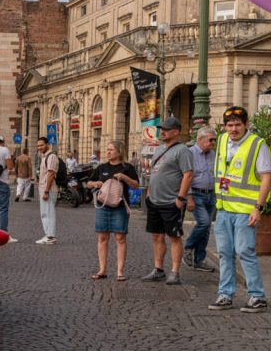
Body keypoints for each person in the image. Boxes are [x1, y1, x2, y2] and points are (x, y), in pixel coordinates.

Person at [209, 106, 271, 313]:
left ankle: (257, 296)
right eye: (229, 125)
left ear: (246, 125)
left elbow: (267, 177)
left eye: (237, 125)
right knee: (225, 253)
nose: (233, 129)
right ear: (224, 126)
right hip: (224, 207)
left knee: (245, 252)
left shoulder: (257, 144)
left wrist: (258, 208)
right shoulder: (222, 141)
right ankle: (225, 295)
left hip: (246, 209)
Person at [141, 116, 193, 285]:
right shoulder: (159, 148)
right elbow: (155, 171)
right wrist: (149, 191)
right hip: (154, 200)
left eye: (165, 129)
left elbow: (188, 174)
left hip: (172, 201)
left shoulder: (183, 150)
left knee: (174, 237)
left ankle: (175, 272)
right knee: (156, 236)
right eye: (161, 129)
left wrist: (180, 198)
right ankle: (158, 269)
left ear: (176, 132)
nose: (161, 132)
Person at [86, 141, 139, 281]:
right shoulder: (102, 167)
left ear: (119, 151)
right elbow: (88, 183)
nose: (108, 152)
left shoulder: (127, 167)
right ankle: (102, 270)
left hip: (120, 207)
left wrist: (125, 177)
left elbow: (136, 185)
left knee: (120, 238)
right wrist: (95, 183)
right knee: (102, 238)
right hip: (102, 206)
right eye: (107, 149)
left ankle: (120, 271)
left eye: (111, 150)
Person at [183, 127, 218, 272]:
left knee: (206, 227)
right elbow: (186, 176)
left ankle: (199, 259)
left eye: (214, 140)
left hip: (211, 194)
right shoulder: (190, 154)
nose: (213, 143)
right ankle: (188, 247)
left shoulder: (213, 154)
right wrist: (189, 198)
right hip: (196, 194)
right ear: (200, 139)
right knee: (203, 223)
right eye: (210, 140)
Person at [35, 137, 59, 244]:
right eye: (38, 146)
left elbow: (50, 174)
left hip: (48, 189)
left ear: (47, 145)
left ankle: (50, 236)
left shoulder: (51, 156)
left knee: (49, 213)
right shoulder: (44, 156)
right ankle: (48, 234)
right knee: (45, 213)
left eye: (42, 145)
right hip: (44, 188)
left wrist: (46, 191)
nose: (40, 147)